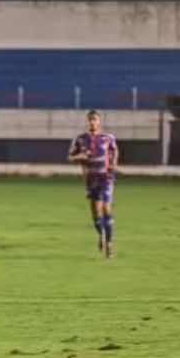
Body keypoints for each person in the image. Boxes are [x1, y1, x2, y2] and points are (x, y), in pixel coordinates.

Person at [68, 110, 119, 258]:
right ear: (87, 121)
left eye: (95, 119)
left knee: (106, 209)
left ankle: (108, 244)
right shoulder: (80, 139)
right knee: (96, 213)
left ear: (99, 122)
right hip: (91, 179)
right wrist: (80, 156)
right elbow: (70, 157)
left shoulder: (108, 138)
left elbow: (115, 150)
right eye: (90, 119)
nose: (92, 122)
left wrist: (114, 163)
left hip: (106, 177)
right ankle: (101, 234)